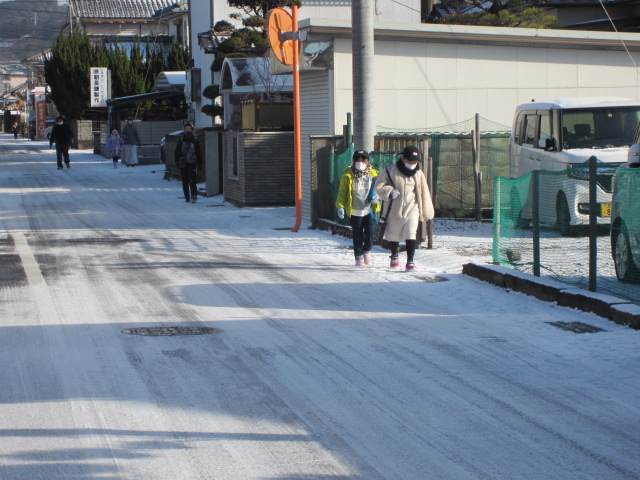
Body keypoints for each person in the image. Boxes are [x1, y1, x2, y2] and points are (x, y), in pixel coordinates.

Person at [375, 145, 434, 271]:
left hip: (412, 208)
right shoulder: (391, 170)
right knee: (394, 234)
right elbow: (379, 185)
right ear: (403, 159)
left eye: (415, 161)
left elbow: (424, 191)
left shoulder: (418, 173)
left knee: (411, 232)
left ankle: (410, 261)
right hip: (394, 209)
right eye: (410, 161)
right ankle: (394, 255)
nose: (413, 164)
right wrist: (389, 191)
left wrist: (426, 210)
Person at [335, 149, 381, 266]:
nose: (360, 162)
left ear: (367, 161)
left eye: (363, 159)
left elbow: (380, 189)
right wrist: (340, 206)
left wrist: (378, 198)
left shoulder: (374, 174)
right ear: (353, 161)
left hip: (369, 210)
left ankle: (367, 251)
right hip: (355, 210)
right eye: (357, 159)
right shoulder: (348, 175)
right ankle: (358, 256)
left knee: (371, 232)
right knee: (357, 234)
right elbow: (342, 192)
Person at [174, 123, 202, 203]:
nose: (188, 131)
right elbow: (177, 151)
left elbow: (198, 151)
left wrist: (200, 162)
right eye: (186, 129)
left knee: (192, 179)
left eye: (189, 129)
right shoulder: (181, 140)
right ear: (184, 130)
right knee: (185, 180)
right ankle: (187, 196)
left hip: (192, 162)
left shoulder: (195, 140)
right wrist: (177, 161)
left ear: (192, 130)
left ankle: (194, 195)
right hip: (183, 162)